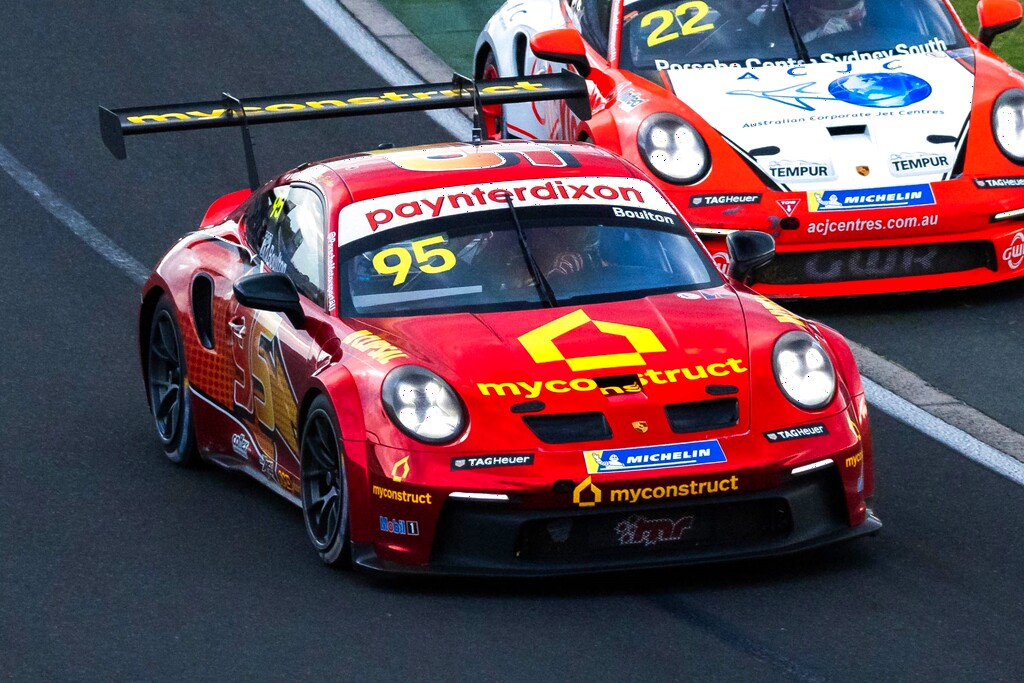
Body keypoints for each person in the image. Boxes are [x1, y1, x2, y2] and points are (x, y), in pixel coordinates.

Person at [789, 0, 867, 44]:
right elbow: (789, 48)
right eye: (832, 2)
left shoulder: (874, 23)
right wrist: (820, 35)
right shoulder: (792, 24)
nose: (839, 3)